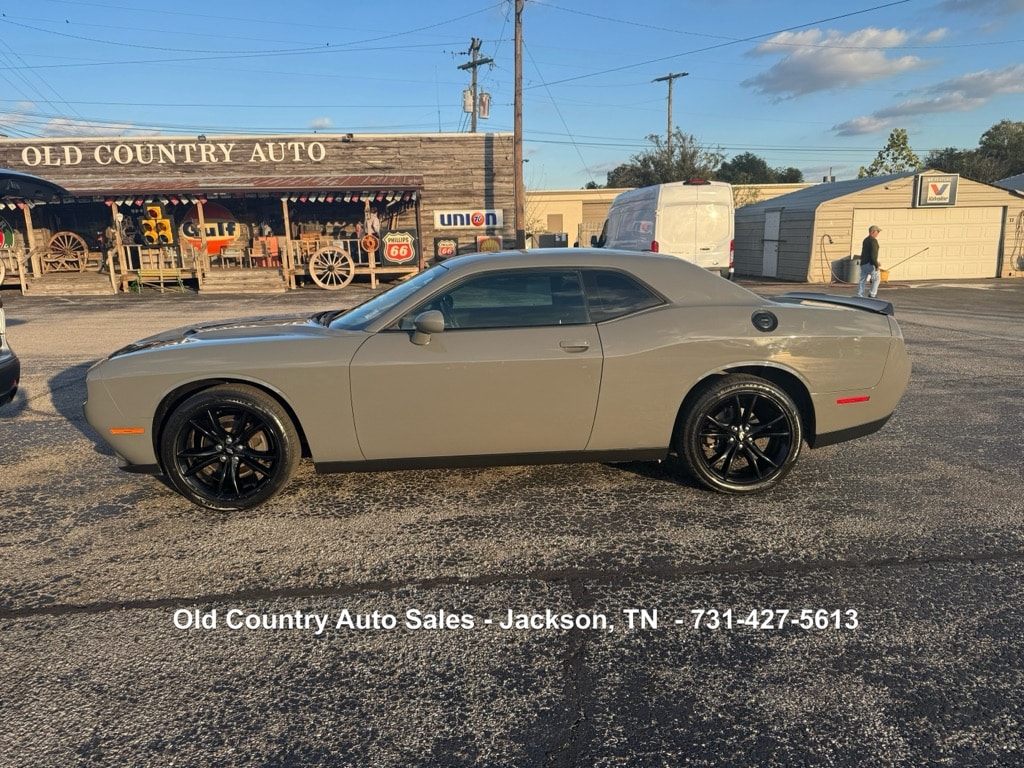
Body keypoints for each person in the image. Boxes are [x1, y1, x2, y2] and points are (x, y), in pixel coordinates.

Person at [857, 225, 882, 298]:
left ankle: (860, 294)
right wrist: (876, 265)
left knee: (862, 279)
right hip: (870, 264)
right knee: (876, 278)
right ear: (873, 232)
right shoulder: (873, 241)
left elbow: (866, 253)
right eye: (877, 232)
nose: (878, 233)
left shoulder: (865, 240)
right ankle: (872, 294)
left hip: (863, 263)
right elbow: (873, 255)